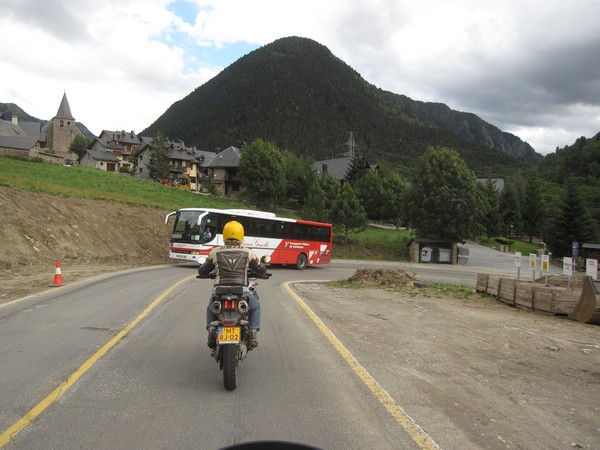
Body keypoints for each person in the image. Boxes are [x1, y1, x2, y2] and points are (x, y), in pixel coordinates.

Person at [197, 221, 266, 349]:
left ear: (224, 235)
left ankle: (211, 331)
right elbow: (260, 269)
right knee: (255, 306)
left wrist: (206, 272)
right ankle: (253, 332)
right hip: (242, 293)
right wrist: (262, 271)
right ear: (241, 235)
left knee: (210, 307)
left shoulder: (215, 252)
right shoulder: (248, 252)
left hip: (220, 292)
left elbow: (202, 270)